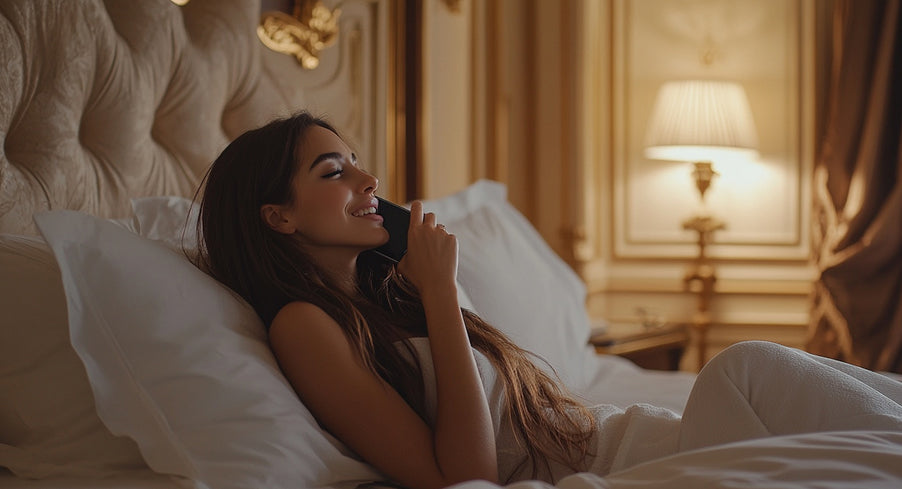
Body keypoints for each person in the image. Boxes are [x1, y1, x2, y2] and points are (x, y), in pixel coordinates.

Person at [194, 112, 902, 489]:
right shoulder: (302, 326)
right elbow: (463, 478)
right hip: (617, 465)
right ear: (277, 216)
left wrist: (428, 293)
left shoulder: (391, 294)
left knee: (764, 381)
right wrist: (441, 295)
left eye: (355, 160)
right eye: (334, 170)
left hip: (631, 436)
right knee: (744, 369)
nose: (368, 177)